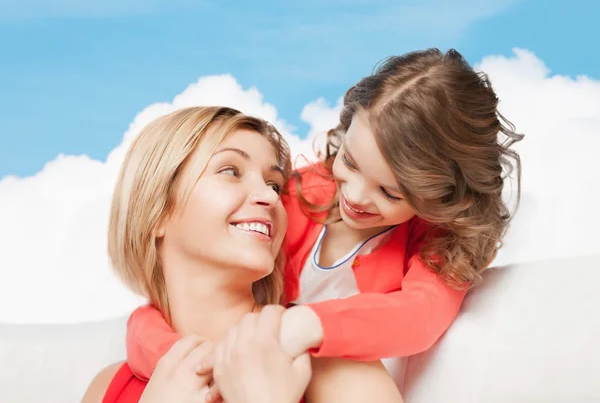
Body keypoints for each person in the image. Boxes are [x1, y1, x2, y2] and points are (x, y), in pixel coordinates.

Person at [127, 49, 523, 396]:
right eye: (349, 162)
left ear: (442, 197)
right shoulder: (299, 194)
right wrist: (187, 363)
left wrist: (305, 325)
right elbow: (161, 306)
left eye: (390, 192)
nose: (355, 195)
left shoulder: (433, 243)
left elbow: (421, 315)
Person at [81, 106, 403, 403]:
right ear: (159, 210)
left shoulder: (336, 368)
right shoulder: (106, 389)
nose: (269, 197)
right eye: (231, 171)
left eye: (274, 185)